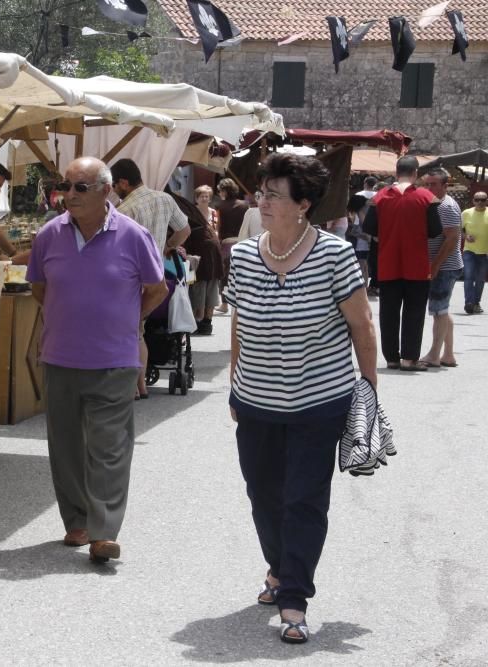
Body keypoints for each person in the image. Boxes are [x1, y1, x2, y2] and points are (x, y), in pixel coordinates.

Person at [224, 153, 377, 645]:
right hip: (256, 400)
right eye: (261, 192)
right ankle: (278, 566)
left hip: (320, 400)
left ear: (303, 205)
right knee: (263, 495)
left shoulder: (335, 255)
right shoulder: (245, 256)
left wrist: (367, 392)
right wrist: (234, 383)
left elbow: (361, 324)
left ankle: (294, 595)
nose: (261, 201)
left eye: (273, 195)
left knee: (303, 500)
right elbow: (239, 322)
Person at [27, 156, 167, 563]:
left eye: (80, 187)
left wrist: (127, 318)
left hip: (114, 359)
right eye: (65, 186)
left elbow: (156, 289)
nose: (69, 195)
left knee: (109, 448)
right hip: (60, 356)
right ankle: (77, 522)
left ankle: (104, 532)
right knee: (66, 446)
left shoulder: (133, 235)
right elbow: (39, 287)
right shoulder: (48, 236)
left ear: (107, 191)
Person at [110, 158, 190, 398]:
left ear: (123, 182)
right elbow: (184, 231)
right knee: (138, 331)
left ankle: (134, 386)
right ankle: (141, 384)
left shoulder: (125, 210)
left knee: (130, 331)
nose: (114, 190)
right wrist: (167, 247)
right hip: (158, 277)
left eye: (114, 185)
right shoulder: (165, 199)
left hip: (132, 278)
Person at [363, 156, 441, 371]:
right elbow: (435, 231)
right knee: (414, 312)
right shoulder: (427, 197)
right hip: (417, 264)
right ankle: (409, 359)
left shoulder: (380, 197)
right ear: (415, 173)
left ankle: (392, 359)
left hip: (388, 263)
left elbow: (368, 227)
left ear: (396, 172)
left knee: (388, 312)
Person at [418, 169, 463, 367]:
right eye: (427, 184)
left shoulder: (446, 206)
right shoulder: (434, 204)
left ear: (445, 186)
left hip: (444, 267)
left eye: (434, 184)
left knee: (438, 311)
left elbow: (452, 239)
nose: (429, 188)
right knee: (442, 310)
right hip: (443, 266)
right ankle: (448, 354)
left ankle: (434, 355)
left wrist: (434, 265)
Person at [184, 186, 224, 334]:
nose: (205, 198)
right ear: (196, 198)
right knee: (196, 287)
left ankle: (207, 321)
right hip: (195, 253)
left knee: (212, 287)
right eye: (202, 196)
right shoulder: (190, 213)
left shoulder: (214, 213)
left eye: (207, 196)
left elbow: (218, 230)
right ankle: (196, 320)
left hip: (213, 254)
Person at [214, 178, 248, 314]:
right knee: (242, 273)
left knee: (226, 275)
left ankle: (224, 304)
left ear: (224, 191)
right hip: (242, 241)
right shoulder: (245, 205)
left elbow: (218, 226)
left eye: (220, 191)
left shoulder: (220, 206)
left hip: (227, 243)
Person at [461, 191, 488, 314]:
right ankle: (469, 303)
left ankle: (476, 303)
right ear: (473, 201)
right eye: (477, 200)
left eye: (483, 200)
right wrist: (465, 236)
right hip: (469, 251)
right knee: (468, 276)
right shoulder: (466, 213)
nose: (480, 202)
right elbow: (458, 230)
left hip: (485, 252)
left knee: (480, 279)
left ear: (487, 201)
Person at [358, 177, 379, 295]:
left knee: (362, 260)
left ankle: (363, 286)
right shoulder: (378, 195)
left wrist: (366, 228)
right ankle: (371, 284)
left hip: (361, 232)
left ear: (365, 183)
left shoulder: (359, 195)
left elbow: (356, 214)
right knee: (370, 261)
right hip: (376, 233)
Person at [346, 194, 372, 289]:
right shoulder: (369, 206)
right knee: (364, 264)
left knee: (361, 263)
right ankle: (365, 285)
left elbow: (365, 226)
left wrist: (354, 230)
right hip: (367, 241)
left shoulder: (362, 210)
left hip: (363, 241)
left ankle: (362, 286)